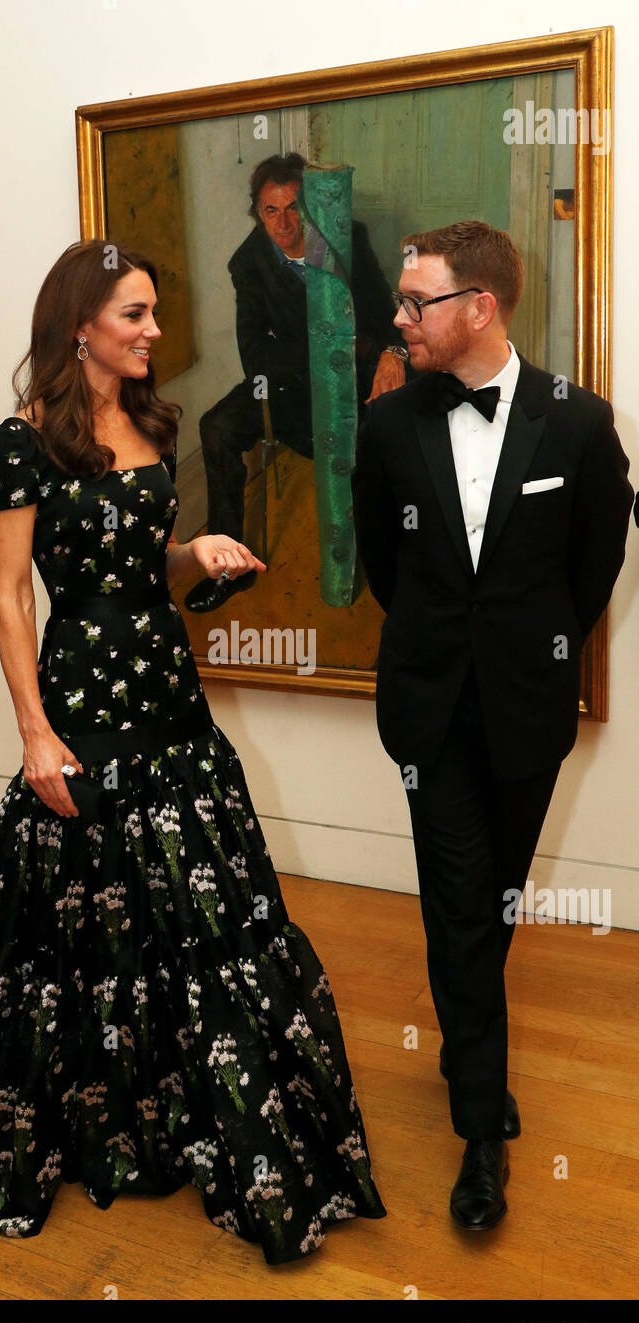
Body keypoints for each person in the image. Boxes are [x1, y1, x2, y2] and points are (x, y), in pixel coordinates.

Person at [0, 238, 386, 1263]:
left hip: (169, 693)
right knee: (78, 919)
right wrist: (35, 732)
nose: (154, 331)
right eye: (134, 314)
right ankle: (90, 1116)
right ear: (80, 323)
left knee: (207, 914)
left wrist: (195, 552)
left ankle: (196, 1117)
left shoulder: (154, 422)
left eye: (155, 313)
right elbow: (9, 595)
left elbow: (141, 565)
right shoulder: (19, 440)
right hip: (79, 703)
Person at [351, 220, 632, 1231]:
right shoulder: (387, 426)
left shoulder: (577, 422)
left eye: (414, 300)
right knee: (461, 902)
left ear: (479, 307)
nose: (398, 317)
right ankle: (481, 1134)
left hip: (525, 706)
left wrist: (535, 644)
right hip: (427, 709)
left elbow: (595, 560)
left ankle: (465, 1037)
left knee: (493, 898)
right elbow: (388, 562)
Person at [185, 152, 406, 613]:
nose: (284, 223)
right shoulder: (247, 263)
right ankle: (229, 567)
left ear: (310, 210)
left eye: (293, 208)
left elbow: (384, 314)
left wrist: (392, 353)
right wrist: (323, 345)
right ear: (257, 213)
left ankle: (392, 566)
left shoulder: (346, 238)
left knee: (387, 435)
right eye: (271, 210)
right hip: (287, 386)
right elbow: (253, 353)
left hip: (355, 376)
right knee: (216, 427)